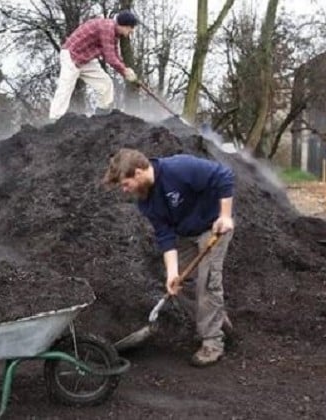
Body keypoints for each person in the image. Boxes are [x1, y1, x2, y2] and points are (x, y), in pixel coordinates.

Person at [103, 148, 235, 366]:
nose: (125, 190)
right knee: (179, 285)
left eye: (125, 184)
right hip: (184, 235)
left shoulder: (179, 168)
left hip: (213, 227)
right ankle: (216, 319)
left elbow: (224, 175)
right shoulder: (145, 201)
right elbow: (165, 236)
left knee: (208, 283)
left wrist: (225, 215)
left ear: (137, 173)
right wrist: (172, 273)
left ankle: (212, 342)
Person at [48, 10, 139, 120]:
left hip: (86, 59)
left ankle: (101, 115)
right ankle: (54, 119)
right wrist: (124, 71)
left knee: (105, 84)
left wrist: (126, 70)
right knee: (65, 88)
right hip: (71, 56)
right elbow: (110, 57)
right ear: (124, 25)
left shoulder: (114, 33)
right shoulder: (107, 28)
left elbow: (114, 54)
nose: (132, 31)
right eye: (131, 28)